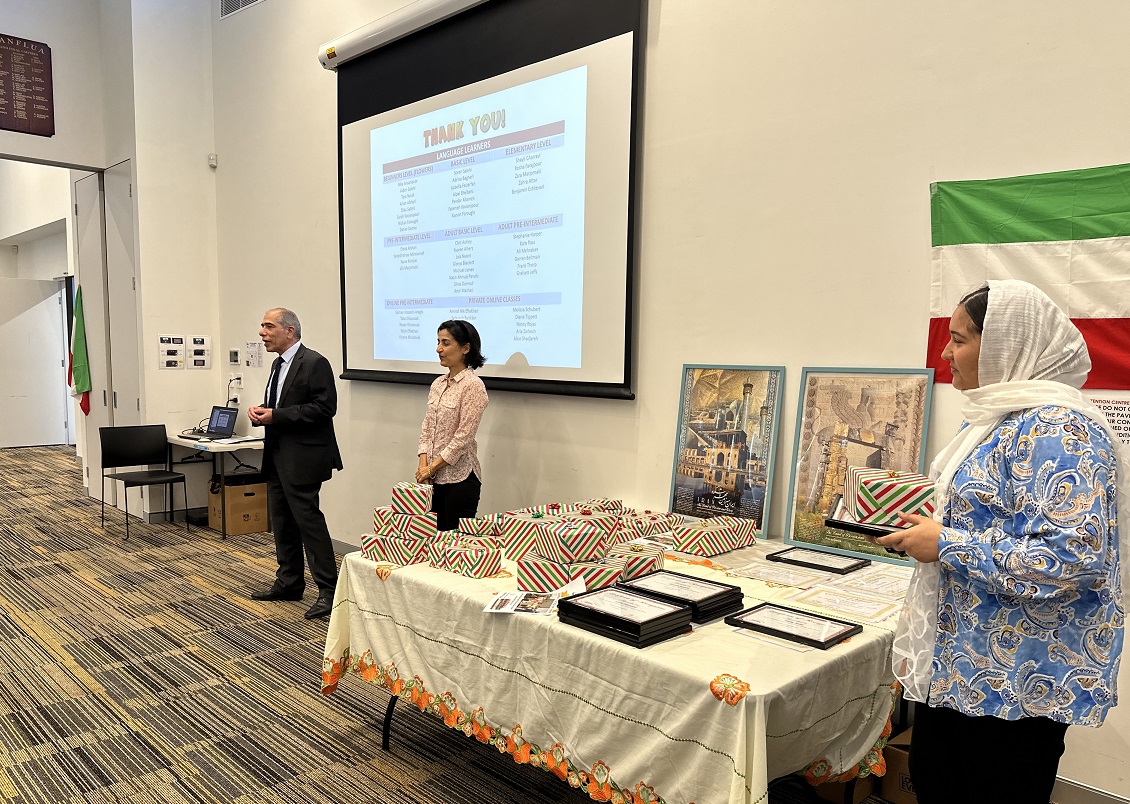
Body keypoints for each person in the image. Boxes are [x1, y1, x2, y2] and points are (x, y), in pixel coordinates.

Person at [878, 280, 1127, 804]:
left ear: (1006, 344)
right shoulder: (999, 420)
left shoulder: (1059, 431)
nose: (945, 354)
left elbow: (1072, 558)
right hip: (966, 670)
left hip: (1016, 685)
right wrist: (927, 530)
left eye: (959, 340)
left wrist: (946, 545)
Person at [247, 308, 343, 620]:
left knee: (308, 523)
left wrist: (276, 415)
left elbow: (325, 408)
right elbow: (284, 405)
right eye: (262, 326)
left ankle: (330, 591)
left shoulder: (314, 362)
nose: (262, 332)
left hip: (304, 458)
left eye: (268, 326)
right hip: (277, 454)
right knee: (282, 521)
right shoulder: (278, 364)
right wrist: (263, 412)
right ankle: (289, 582)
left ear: (290, 331)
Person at [416, 320, 488, 532]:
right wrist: (423, 467)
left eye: (445, 343)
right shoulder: (437, 384)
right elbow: (427, 428)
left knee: (453, 544)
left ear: (466, 348)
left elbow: (463, 438)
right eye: (438, 342)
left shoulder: (473, 386)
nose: (438, 349)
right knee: (430, 541)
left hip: (460, 480)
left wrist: (431, 467)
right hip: (431, 479)